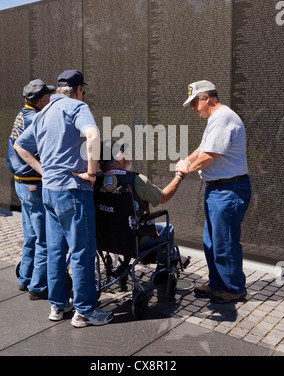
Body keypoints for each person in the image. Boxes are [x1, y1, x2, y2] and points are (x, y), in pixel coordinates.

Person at [14, 69, 113, 328]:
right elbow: (93, 135)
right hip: (73, 190)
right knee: (82, 251)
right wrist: (92, 172)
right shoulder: (77, 107)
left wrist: (44, 171)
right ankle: (85, 311)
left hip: (49, 190)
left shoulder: (43, 111)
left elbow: (20, 146)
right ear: (79, 90)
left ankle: (58, 306)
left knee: (57, 251)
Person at [176, 80, 251, 304]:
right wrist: (186, 160)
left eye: (194, 103)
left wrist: (186, 169)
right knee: (212, 241)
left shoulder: (222, 118)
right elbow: (203, 149)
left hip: (229, 189)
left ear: (206, 98)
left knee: (225, 242)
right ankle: (217, 283)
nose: (193, 108)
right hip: (219, 189)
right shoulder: (215, 120)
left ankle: (234, 288)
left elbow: (211, 156)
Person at [73, 139, 186, 284]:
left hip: (103, 239)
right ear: (119, 158)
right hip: (134, 240)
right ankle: (162, 269)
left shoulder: (94, 180)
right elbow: (163, 197)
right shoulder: (136, 180)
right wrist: (180, 176)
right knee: (167, 227)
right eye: (124, 152)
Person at [7, 79, 55, 300]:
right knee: (44, 238)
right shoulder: (37, 119)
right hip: (34, 183)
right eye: (49, 97)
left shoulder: (23, 113)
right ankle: (38, 286)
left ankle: (25, 278)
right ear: (43, 100)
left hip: (22, 183)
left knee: (30, 235)